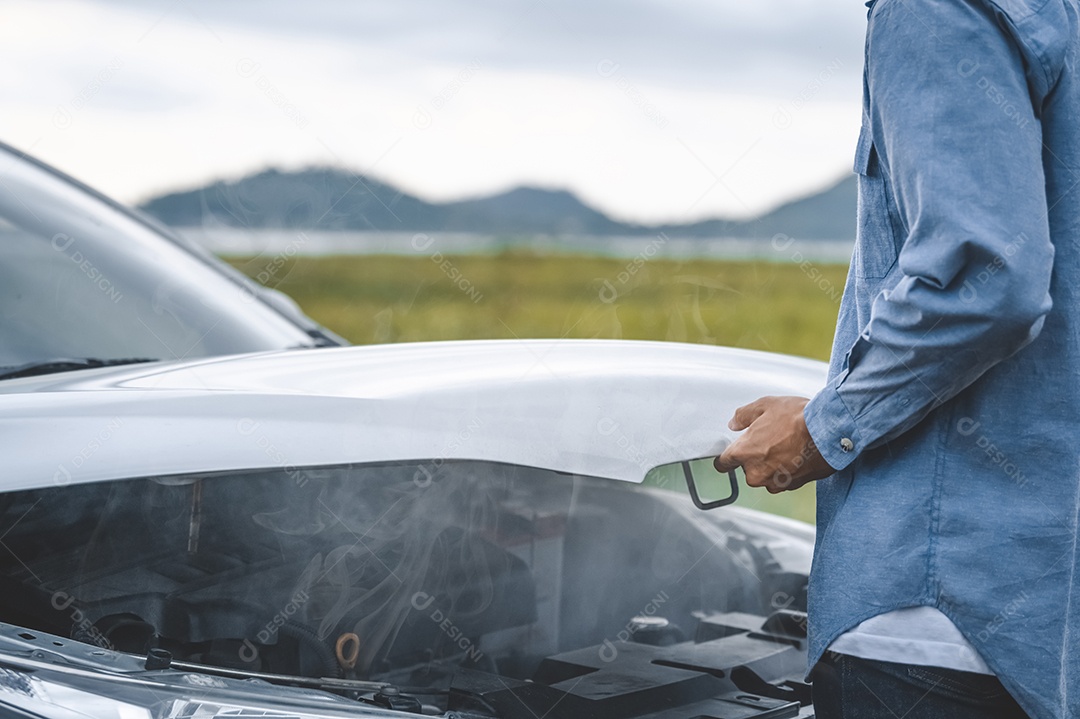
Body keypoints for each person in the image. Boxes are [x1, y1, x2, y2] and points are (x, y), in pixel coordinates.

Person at [713, 1, 1078, 717]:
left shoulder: (931, 7)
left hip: (934, 624)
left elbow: (988, 279)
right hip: (1044, 624)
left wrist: (823, 429)